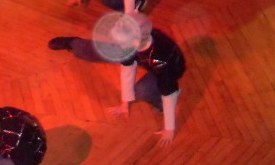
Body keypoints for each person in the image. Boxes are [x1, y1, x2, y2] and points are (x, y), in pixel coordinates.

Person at [48, 13, 185, 146]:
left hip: (169, 71)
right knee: (105, 50)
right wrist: (125, 102)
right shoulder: (133, 42)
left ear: (136, 42)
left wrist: (169, 129)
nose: (118, 46)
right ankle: (74, 43)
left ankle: (161, 100)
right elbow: (127, 69)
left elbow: (169, 94)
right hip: (145, 58)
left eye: (121, 43)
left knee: (143, 90)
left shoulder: (162, 63)